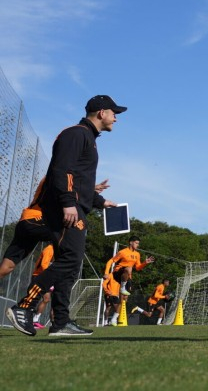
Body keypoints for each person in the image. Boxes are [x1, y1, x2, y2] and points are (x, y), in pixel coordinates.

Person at [7, 94, 124, 337]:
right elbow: (62, 170)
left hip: (75, 207)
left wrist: (101, 202)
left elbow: (79, 182)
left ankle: (60, 321)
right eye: (114, 113)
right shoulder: (76, 134)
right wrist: (69, 203)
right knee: (71, 259)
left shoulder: (88, 139)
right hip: (66, 211)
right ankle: (24, 306)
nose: (116, 118)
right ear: (101, 113)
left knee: (70, 267)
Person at [0, 180, 52, 281]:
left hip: (29, 223)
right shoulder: (57, 175)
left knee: (8, 266)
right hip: (34, 219)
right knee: (67, 233)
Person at [105, 235, 155, 300]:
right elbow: (111, 261)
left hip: (128, 275)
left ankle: (118, 309)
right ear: (131, 242)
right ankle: (122, 287)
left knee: (125, 298)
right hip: (118, 272)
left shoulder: (137, 254)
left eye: (138, 244)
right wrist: (106, 273)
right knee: (129, 268)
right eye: (136, 243)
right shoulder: (123, 252)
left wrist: (145, 263)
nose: (138, 245)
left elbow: (138, 268)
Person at [30, 244, 54, 329]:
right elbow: (44, 265)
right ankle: (29, 319)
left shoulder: (55, 250)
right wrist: (50, 278)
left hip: (43, 276)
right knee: (33, 298)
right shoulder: (50, 249)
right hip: (39, 276)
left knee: (46, 299)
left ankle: (35, 320)